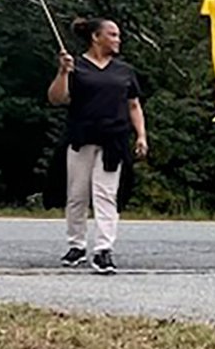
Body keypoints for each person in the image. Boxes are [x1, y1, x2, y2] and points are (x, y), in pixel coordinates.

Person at [48, 17, 147, 275]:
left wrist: (141, 136)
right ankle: (76, 245)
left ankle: (103, 249)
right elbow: (57, 99)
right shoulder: (76, 66)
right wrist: (62, 72)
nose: (117, 39)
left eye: (117, 35)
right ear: (96, 37)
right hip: (81, 139)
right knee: (77, 195)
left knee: (105, 195)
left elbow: (134, 105)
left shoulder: (124, 71)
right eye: (112, 34)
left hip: (113, 141)